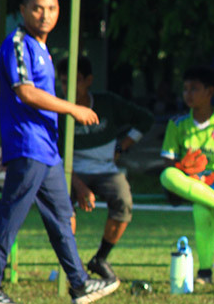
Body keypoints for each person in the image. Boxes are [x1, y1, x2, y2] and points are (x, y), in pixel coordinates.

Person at [0, 0, 120, 304]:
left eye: (51, 8)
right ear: (23, 10)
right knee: (10, 217)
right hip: (29, 145)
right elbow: (25, 92)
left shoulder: (42, 48)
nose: (45, 14)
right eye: (38, 8)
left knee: (62, 216)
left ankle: (79, 285)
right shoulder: (18, 44)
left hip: (45, 149)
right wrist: (73, 108)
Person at [57, 55, 154, 283]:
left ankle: (100, 259)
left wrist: (122, 146)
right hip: (69, 172)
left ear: (89, 80)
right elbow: (56, 158)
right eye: (63, 82)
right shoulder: (58, 110)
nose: (69, 87)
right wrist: (79, 186)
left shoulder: (107, 103)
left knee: (124, 199)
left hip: (106, 170)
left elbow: (145, 119)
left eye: (76, 80)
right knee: (62, 206)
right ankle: (72, 265)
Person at [159, 66, 214, 285]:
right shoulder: (177, 123)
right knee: (166, 175)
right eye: (185, 89)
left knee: (201, 208)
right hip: (185, 181)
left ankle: (205, 271)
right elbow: (168, 162)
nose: (188, 94)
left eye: (194, 89)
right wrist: (182, 166)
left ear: (209, 92)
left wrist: (208, 178)